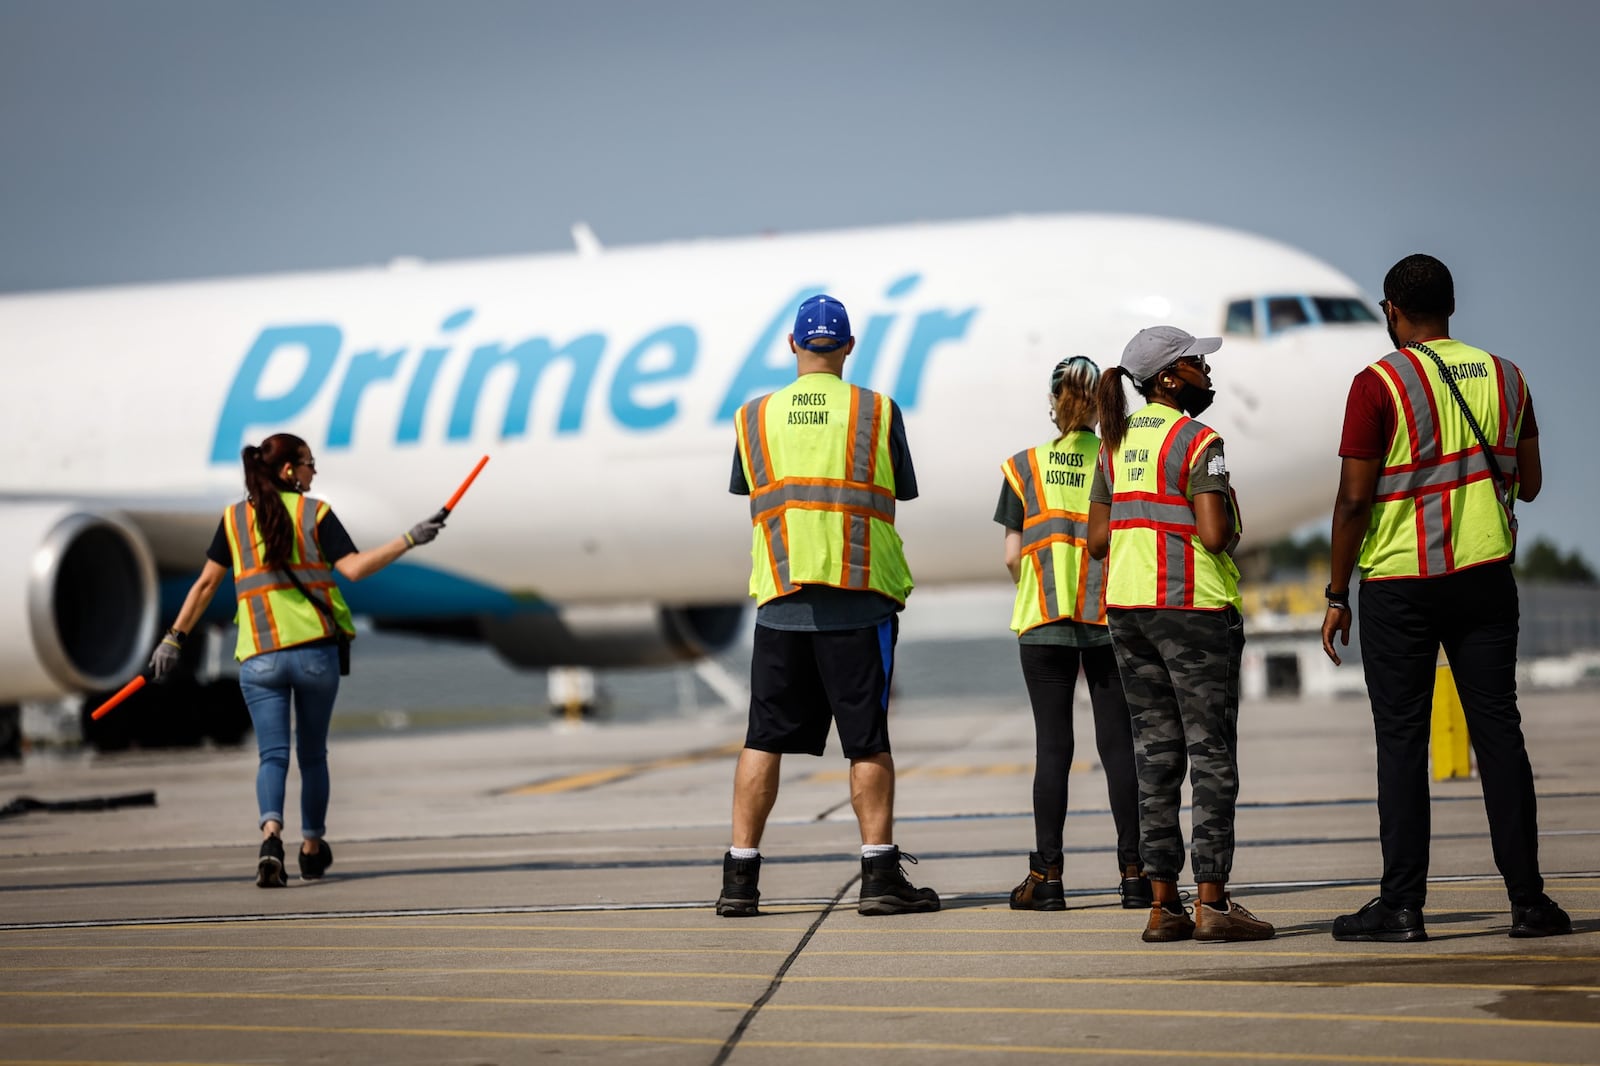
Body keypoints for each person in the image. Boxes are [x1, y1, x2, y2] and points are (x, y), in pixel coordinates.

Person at [1319, 254, 1570, 941]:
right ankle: (1529, 902)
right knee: (1499, 734)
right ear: (1451, 307)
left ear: (1392, 311)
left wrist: (1337, 592)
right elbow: (1534, 483)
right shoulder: (1506, 376)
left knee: (1402, 742)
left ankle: (1402, 906)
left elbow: (1352, 500)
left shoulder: (1377, 384)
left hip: (1401, 584)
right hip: (1485, 578)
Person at [718, 294, 938, 918]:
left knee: (763, 738)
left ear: (792, 345)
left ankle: (740, 879)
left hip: (782, 598)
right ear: (846, 348)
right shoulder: (875, 409)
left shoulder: (754, 416)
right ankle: (877, 876)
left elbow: (752, 491)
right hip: (857, 596)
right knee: (866, 740)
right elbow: (899, 490)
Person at [152, 433, 446, 887]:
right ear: (289, 471)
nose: (314, 472)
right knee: (312, 757)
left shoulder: (233, 520)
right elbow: (354, 569)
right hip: (314, 656)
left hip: (260, 659)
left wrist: (174, 638)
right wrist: (409, 538)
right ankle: (311, 848)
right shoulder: (316, 513)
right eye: (309, 464)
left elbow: (207, 584)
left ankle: (271, 838)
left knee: (272, 756)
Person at [1086, 326, 1274, 943]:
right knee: (1212, 755)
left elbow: (1094, 541)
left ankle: (1163, 905)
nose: (1206, 371)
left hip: (1128, 610)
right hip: (1194, 607)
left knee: (1155, 758)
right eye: (1196, 362)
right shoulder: (1199, 440)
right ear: (1168, 377)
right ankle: (1213, 901)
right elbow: (1214, 535)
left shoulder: (1111, 446)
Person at [995, 355, 1148, 912]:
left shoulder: (1024, 466)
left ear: (1053, 402)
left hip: (1043, 621)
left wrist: (1039, 581)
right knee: (1118, 748)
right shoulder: (1119, 458)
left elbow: (1013, 554)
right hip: (1108, 620)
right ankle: (1135, 874)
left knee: (1053, 748)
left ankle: (1048, 877)